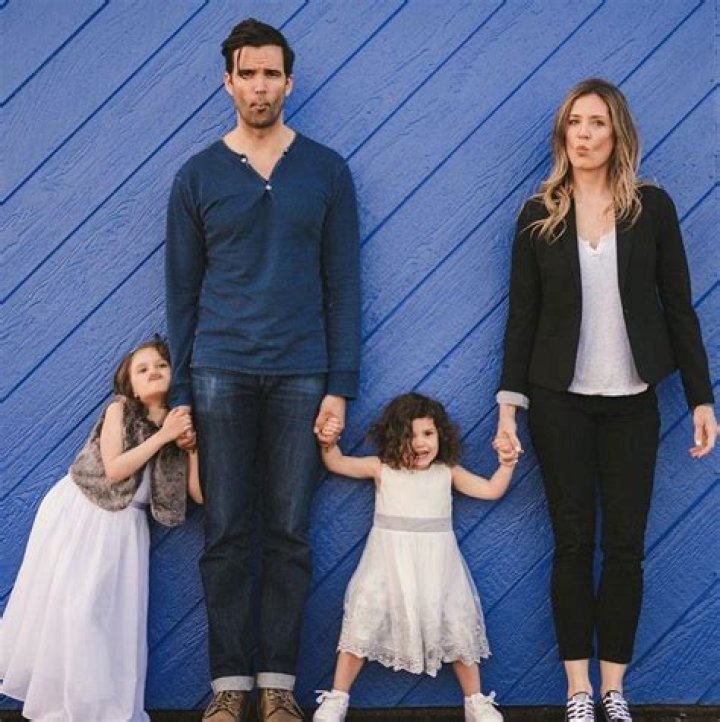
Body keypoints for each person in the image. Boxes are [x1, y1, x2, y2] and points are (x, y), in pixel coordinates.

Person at [495, 78, 716, 722]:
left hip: (632, 403)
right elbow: (522, 318)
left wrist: (701, 399)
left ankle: (614, 689)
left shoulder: (652, 208)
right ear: (562, 134)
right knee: (571, 543)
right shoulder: (538, 215)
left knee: (624, 546)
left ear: (617, 134)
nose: (584, 134)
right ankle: (578, 692)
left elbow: (679, 307)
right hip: (558, 401)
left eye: (596, 122)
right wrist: (509, 408)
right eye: (574, 123)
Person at [164, 17, 361, 722]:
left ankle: (276, 686)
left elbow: (344, 286)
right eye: (246, 73)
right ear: (228, 81)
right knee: (224, 534)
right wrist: (180, 394)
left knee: (288, 533)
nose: (259, 86)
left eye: (270, 73)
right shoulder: (197, 176)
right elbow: (181, 295)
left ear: (289, 82)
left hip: (302, 372)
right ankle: (228, 688)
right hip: (219, 370)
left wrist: (340, 387)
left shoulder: (327, 171)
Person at [0, 338, 201, 721]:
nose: (154, 371)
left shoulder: (183, 426)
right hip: (84, 513)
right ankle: (61, 706)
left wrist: (191, 449)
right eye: (142, 369)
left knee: (109, 620)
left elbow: (199, 495)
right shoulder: (119, 410)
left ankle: (98, 708)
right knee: (74, 609)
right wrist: (163, 436)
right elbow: (114, 469)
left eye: (161, 365)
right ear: (131, 386)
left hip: (126, 530)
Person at [312, 392, 518, 722]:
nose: (420, 443)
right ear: (393, 439)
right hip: (386, 565)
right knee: (363, 621)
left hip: (438, 570)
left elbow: (490, 490)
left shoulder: (447, 472)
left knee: (456, 623)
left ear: (440, 436)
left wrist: (507, 466)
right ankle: (337, 697)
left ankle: (475, 701)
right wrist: (328, 442)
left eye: (428, 433)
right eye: (409, 435)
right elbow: (337, 462)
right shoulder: (381, 468)